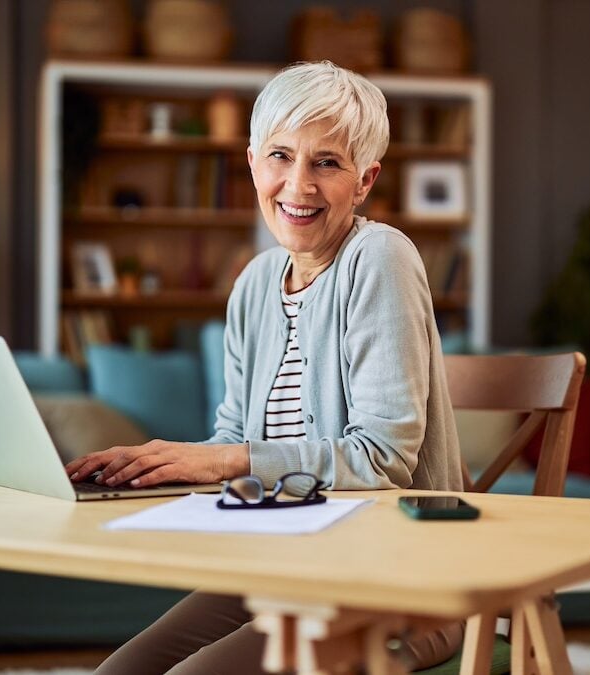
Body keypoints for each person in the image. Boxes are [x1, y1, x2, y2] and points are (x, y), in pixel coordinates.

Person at [65, 60, 466, 674]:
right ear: (252, 163)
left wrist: (229, 458)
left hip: (400, 587)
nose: (298, 185)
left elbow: (384, 458)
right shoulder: (254, 284)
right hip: (285, 569)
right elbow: (232, 441)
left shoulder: (380, 257)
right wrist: (152, 467)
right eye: (280, 155)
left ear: (365, 181)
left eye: (326, 162)